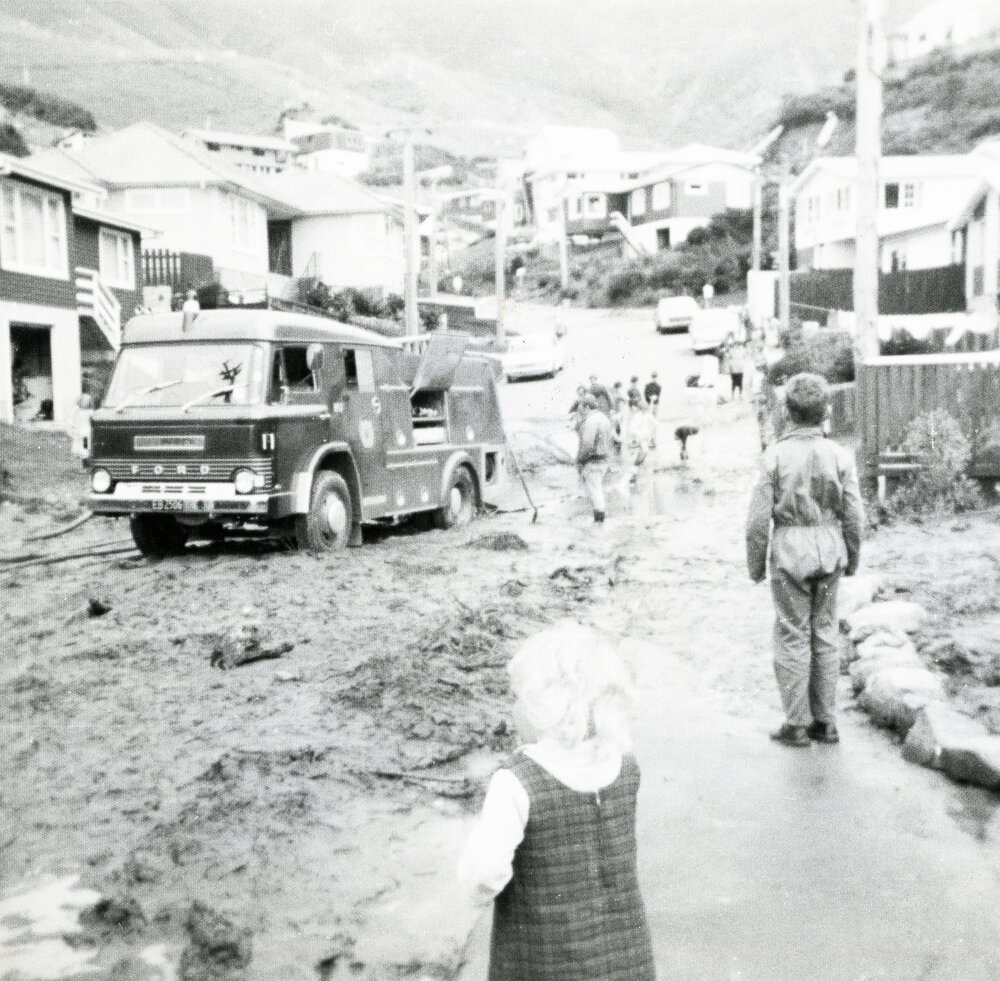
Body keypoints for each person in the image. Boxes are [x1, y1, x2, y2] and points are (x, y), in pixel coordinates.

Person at [458, 625, 656, 981]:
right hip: (623, 953)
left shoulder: (516, 780)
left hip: (543, 957)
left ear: (543, 705)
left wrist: (474, 888)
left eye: (518, 696)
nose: (515, 705)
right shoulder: (625, 763)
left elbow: (486, 871)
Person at [746, 373, 863, 748]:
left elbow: (756, 521)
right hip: (830, 549)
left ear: (788, 412)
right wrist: (853, 558)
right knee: (825, 632)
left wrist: (755, 566)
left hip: (789, 552)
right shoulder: (840, 455)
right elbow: (854, 515)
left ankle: (796, 723)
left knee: (792, 633)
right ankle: (825, 722)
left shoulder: (774, 457)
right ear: (825, 412)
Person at [576, 395, 612, 523]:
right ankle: (599, 517)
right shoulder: (604, 418)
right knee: (597, 489)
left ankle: (599, 521)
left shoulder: (591, 421)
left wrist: (580, 460)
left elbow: (587, 444)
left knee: (595, 491)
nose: (580, 409)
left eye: (581, 407)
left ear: (586, 406)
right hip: (604, 459)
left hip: (593, 460)